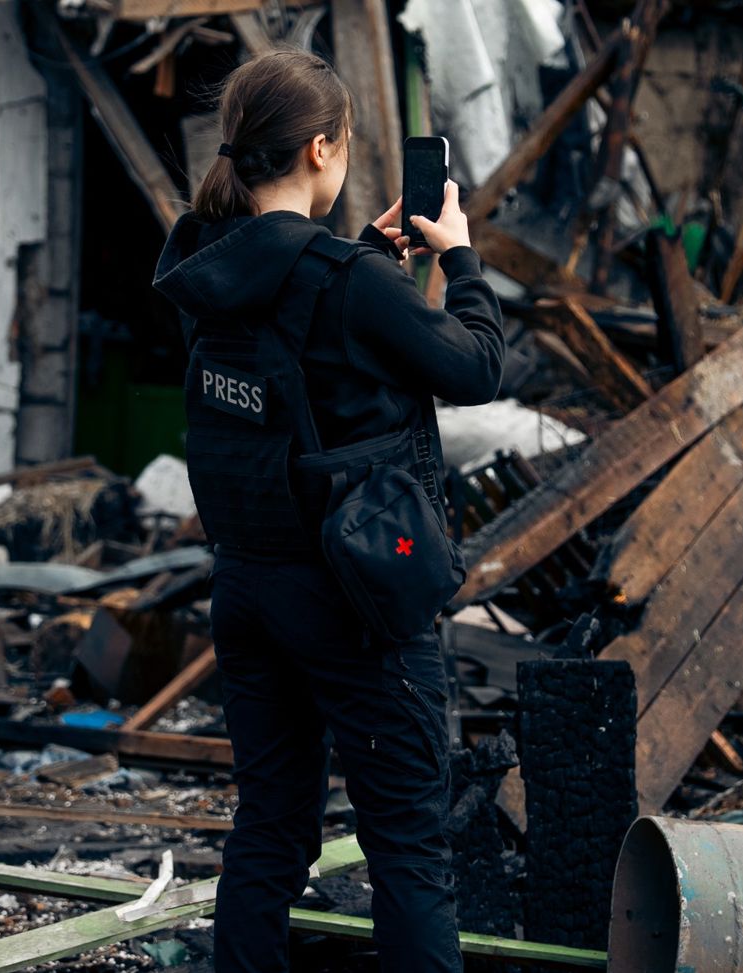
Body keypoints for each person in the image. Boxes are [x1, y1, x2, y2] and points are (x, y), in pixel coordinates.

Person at [152, 50, 504, 973]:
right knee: (409, 855)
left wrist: (372, 267)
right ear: (321, 148)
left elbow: (290, 346)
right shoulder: (347, 283)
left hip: (247, 587)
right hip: (356, 599)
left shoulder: (203, 262)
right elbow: (476, 367)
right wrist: (456, 257)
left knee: (268, 830)